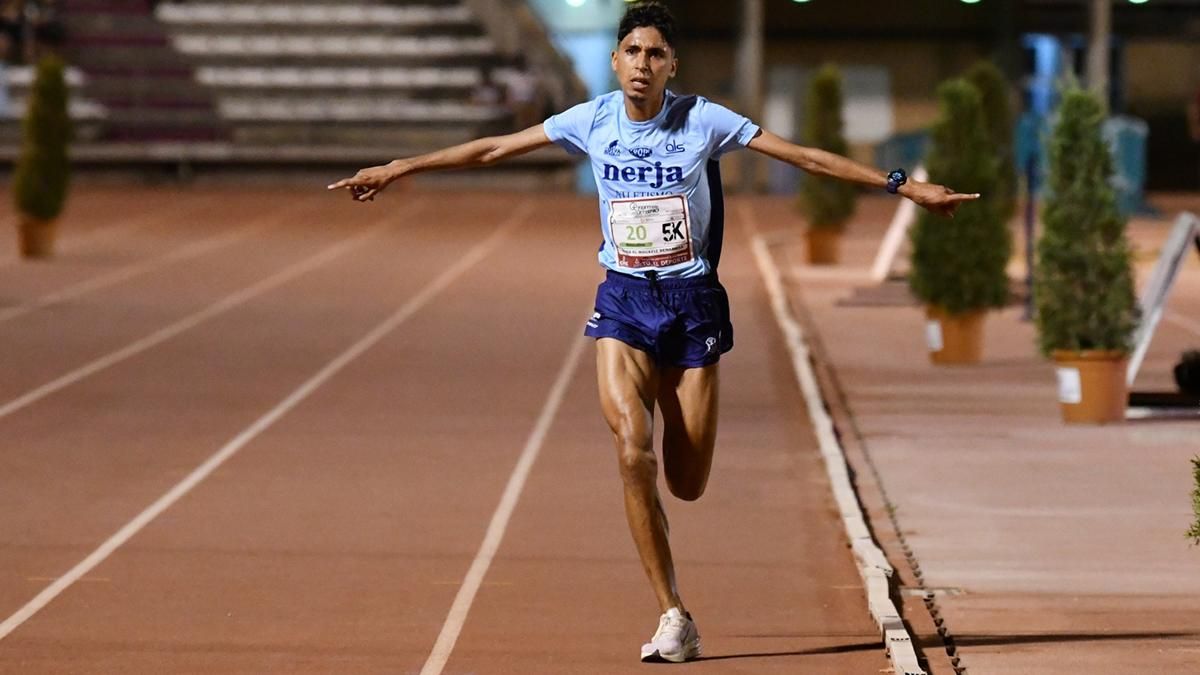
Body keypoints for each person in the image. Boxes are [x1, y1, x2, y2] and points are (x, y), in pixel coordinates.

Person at [329, 1, 977, 664]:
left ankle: (671, 393)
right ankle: (673, 611)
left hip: (694, 309)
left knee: (686, 481)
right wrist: (401, 166)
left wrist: (900, 185)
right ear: (615, 61)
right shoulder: (592, 119)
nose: (642, 65)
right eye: (632, 52)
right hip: (625, 303)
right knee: (632, 451)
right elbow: (494, 147)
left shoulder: (705, 121)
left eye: (655, 55)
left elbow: (805, 157)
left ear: (673, 65)